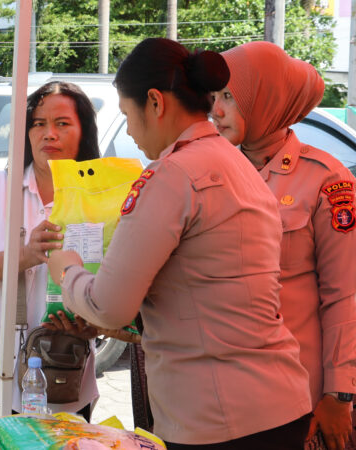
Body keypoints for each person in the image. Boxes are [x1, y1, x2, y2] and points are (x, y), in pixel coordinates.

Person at [48, 38, 312, 449]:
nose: (131, 132)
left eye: (127, 115)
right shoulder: (235, 163)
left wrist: (66, 269)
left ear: (154, 102)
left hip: (218, 417)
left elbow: (109, 305)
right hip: (280, 403)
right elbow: (207, 297)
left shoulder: (172, 175)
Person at [211, 41, 356, 450]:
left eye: (228, 96)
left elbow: (344, 295)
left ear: (266, 98)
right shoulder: (214, 172)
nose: (215, 110)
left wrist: (339, 394)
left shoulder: (327, 179)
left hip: (302, 397)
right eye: (214, 97)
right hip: (227, 393)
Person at [0, 81, 101, 420]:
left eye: (62, 123)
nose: (49, 134)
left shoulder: (99, 200)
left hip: (65, 377)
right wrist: (27, 254)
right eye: (38, 123)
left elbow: (112, 288)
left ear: (84, 132)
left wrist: (95, 324)